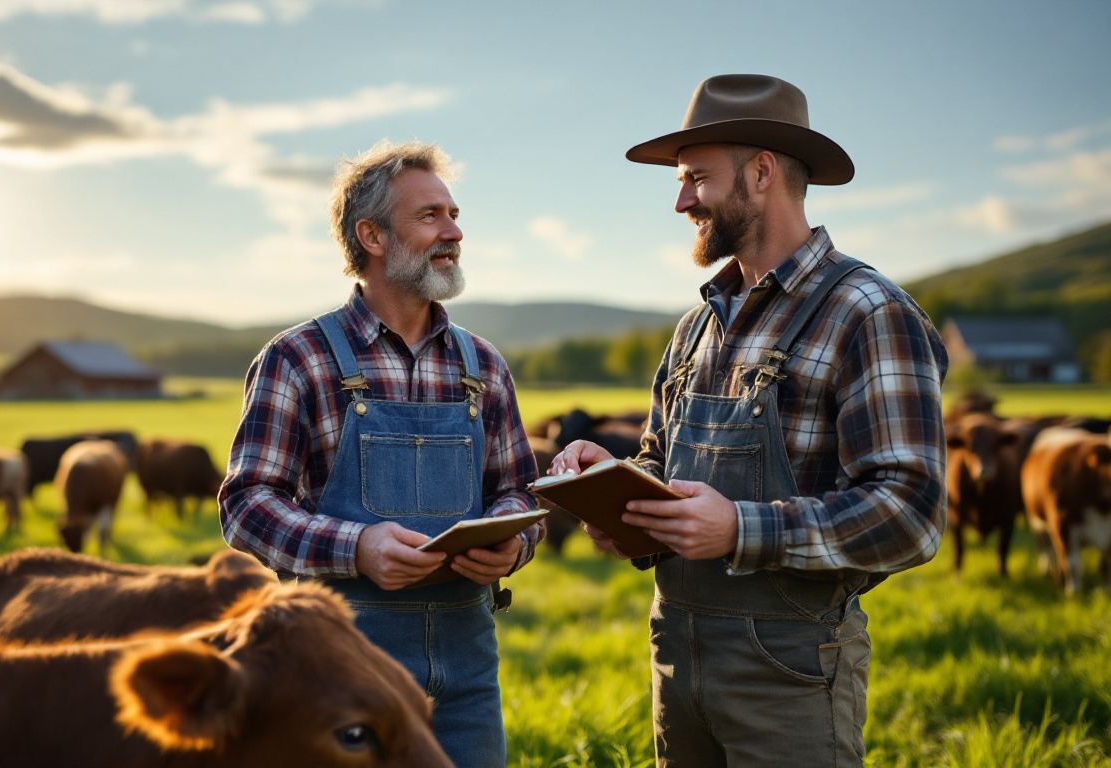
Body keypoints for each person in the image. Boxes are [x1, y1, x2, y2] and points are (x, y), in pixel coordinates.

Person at [551, 74, 949, 767]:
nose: (680, 201)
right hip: (675, 657)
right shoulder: (695, 328)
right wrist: (616, 490)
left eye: (696, 179)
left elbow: (910, 514)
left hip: (789, 673)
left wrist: (740, 528)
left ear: (762, 173)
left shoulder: (867, 312)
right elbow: (662, 466)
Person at [219, 139, 542, 768]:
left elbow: (518, 492)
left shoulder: (484, 365)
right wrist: (355, 548)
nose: (454, 231)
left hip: (466, 671)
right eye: (430, 217)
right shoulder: (299, 358)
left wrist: (515, 544)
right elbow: (246, 506)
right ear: (370, 235)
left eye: (453, 214)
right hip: (339, 676)